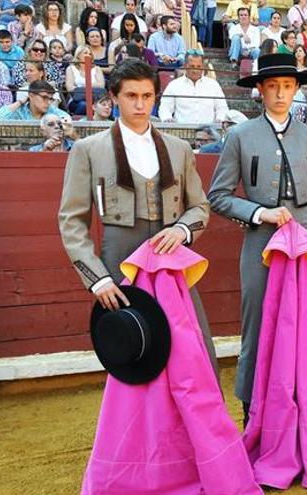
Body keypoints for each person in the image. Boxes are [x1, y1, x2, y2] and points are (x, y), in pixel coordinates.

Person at [57, 58, 216, 366]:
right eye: (131, 96)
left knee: (192, 348)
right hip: (120, 262)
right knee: (136, 351)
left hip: (171, 258)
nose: (140, 105)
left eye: (147, 96)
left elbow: (199, 206)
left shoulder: (178, 148)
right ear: (114, 97)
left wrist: (181, 230)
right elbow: (71, 221)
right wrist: (98, 279)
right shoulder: (87, 150)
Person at [207, 53, 307, 424]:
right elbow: (218, 196)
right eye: (272, 86)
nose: (280, 94)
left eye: (287, 86)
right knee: (257, 326)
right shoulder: (240, 135)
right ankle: (253, 410)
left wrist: (306, 234)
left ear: (296, 90)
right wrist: (259, 214)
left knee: (302, 327)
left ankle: (299, 410)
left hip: (302, 244)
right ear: (259, 90)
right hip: (261, 243)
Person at [159, 51, 229, 124]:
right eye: (192, 66)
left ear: (203, 67)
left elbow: (222, 107)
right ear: (185, 66)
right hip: (180, 132)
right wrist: (167, 119)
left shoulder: (213, 85)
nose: (195, 70)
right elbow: (165, 107)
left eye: (199, 67)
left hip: (208, 132)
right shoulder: (174, 85)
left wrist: (220, 120)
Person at [0, 80, 68, 120]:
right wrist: (20, 102)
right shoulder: (19, 112)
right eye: (44, 97)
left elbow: (67, 118)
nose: (48, 102)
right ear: (31, 95)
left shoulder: (52, 111)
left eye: (50, 99)